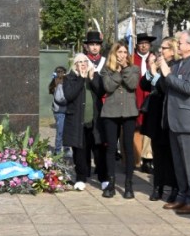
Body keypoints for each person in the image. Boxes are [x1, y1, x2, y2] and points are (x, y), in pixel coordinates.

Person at [158, 30, 190, 215]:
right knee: (178, 163)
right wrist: (162, 74)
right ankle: (182, 196)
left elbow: (187, 88)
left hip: (188, 122)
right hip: (173, 120)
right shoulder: (178, 64)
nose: (178, 45)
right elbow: (167, 88)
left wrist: (168, 75)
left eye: (181, 43)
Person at [99, 42, 140, 199]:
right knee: (110, 148)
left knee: (128, 148)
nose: (122, 55)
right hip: (111, 112)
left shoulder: (134, 69)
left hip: (129, 112)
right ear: (113, 54)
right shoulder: (106, 70)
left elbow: (132, 84)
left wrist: (125, 70)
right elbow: (108, 87)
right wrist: (117, 72)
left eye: (124, 52)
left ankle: (128, 184)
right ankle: (111, 183)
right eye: (119, 52)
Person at [140, 37, 179, 202]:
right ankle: (158, 187)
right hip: (156, 116)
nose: (160, 51)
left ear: (173, 50)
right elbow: (143, 85)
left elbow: (166, 87)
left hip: (169, 115)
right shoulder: (158, 64)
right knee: (157, 154)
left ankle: (174, 188)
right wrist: (150, 70)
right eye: (160, 48)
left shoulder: (176, 66)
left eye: (164, 48)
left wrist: (156, 73)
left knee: (171, 155)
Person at [62, 53, 107, 191]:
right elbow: (69, 95)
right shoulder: (69, 78)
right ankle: (81, 177)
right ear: (75, 65)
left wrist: (92, 78)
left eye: (85, 61)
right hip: (77, 121)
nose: (82, 64)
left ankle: (103, 178)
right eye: (79, 62)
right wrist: (81, 79)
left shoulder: (95, 75)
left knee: (99, 150)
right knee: (79, 151)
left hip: (95, 121)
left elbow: (101, 92)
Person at [133, 33, 156, 173]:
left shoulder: (154, 59)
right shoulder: (131, 59)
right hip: (135, 96)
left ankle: (147, 159)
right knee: (135, 128)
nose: (143, 46)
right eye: (141, 43)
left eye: (146, 43)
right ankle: (135, 158)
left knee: (148, 127)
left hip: (149, 97)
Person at [49, 66, 68, 156]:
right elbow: (60, 99)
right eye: (60, 72)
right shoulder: (58, 83)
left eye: (63, 72)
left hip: (62, 111)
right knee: (60, 131)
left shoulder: (59, 82)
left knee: (64, 131)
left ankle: (65, 149)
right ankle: (58, 150)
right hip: (60, 111)